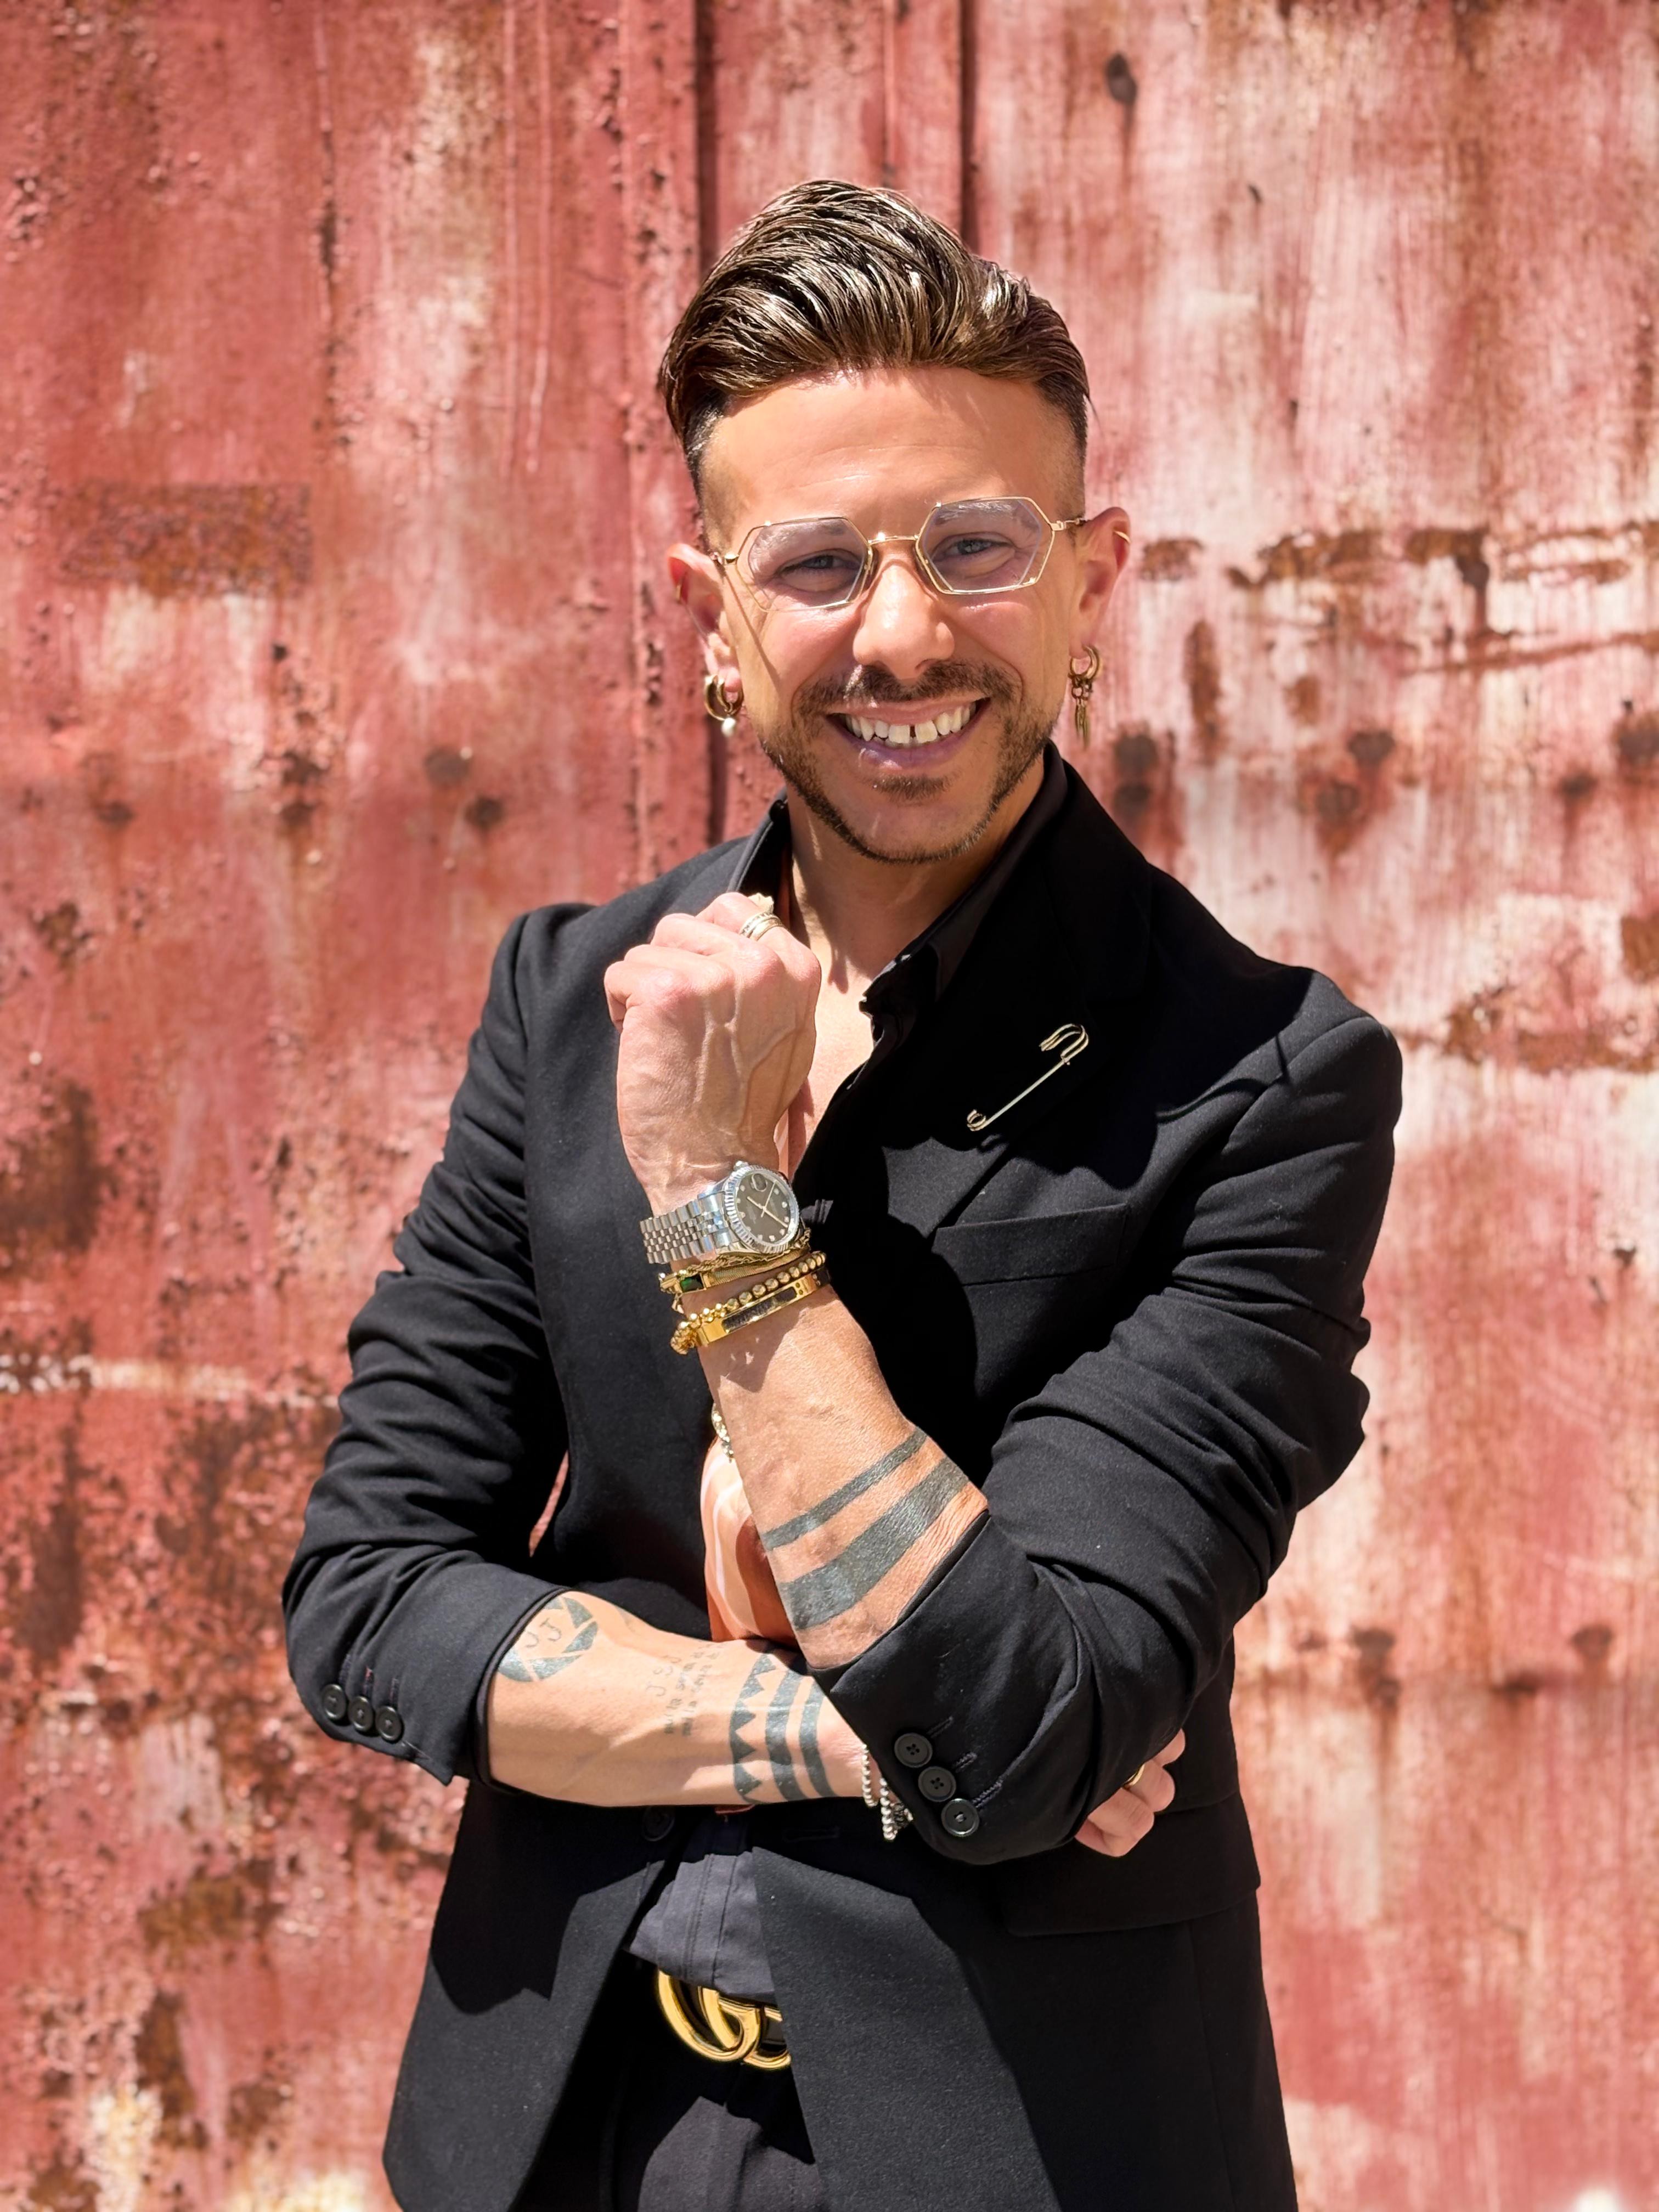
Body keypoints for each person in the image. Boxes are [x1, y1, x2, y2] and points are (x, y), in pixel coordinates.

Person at [284, 179, 1400, 2212]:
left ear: (1092, 581)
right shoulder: (568, 996)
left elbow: (1027, 1719)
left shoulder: (1259, 1080)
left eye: (978, 546)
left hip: (1025, 2152)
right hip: (558, 2128)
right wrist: (833, 1731)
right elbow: (365, 1601)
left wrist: (718, 1203)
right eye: (816, 563)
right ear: (710, 611)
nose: (901, 636)